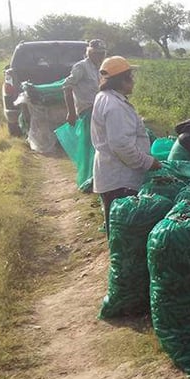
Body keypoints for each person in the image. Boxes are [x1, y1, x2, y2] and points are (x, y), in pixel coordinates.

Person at [91, 56, 161, 235]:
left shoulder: (106, 98)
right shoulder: (115, 106)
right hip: (119, 178)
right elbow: (121, 145)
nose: (133, 81)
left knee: (117, 227)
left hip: (113, 172)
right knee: (122, 232)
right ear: (122, 80)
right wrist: (147, 162)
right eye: (130, 76)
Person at [63, 39, 107, 190]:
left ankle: (97, 177)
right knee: (90, 145)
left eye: (102, 54)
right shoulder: (81, 67)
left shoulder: (99, 68)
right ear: (90, 53)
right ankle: (88, 179)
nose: (99, 56)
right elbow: (67, 87)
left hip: (99, 110)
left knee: (99, 145)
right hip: (87, 110)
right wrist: (71, 112)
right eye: (96, 54)